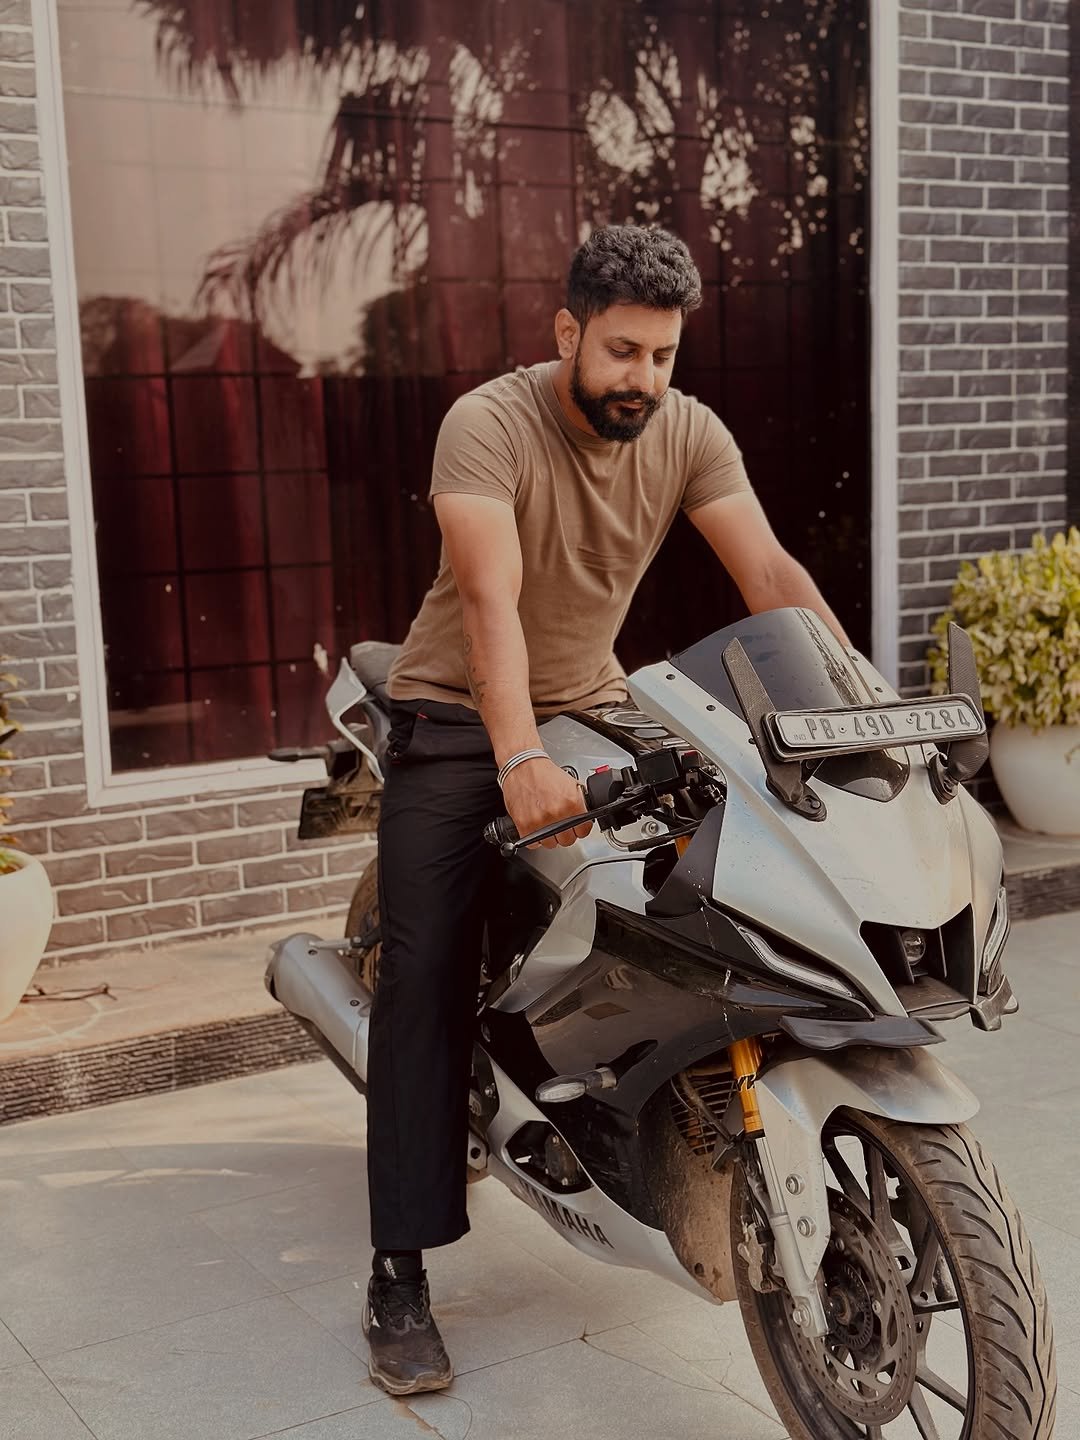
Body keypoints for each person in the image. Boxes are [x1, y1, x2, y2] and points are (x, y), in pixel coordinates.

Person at [362, 224, 849, 1394]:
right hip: (457, 714)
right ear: (568, 332)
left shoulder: (686, 432)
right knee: (425, 975)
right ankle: (397, 1269)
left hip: (595, 695)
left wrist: (850, 707)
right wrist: (519, 753)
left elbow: (769, 576)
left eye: (664, 356)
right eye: (623, 350)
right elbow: (490, 604)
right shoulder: (487, 425)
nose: (644, 379)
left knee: (725, 864)